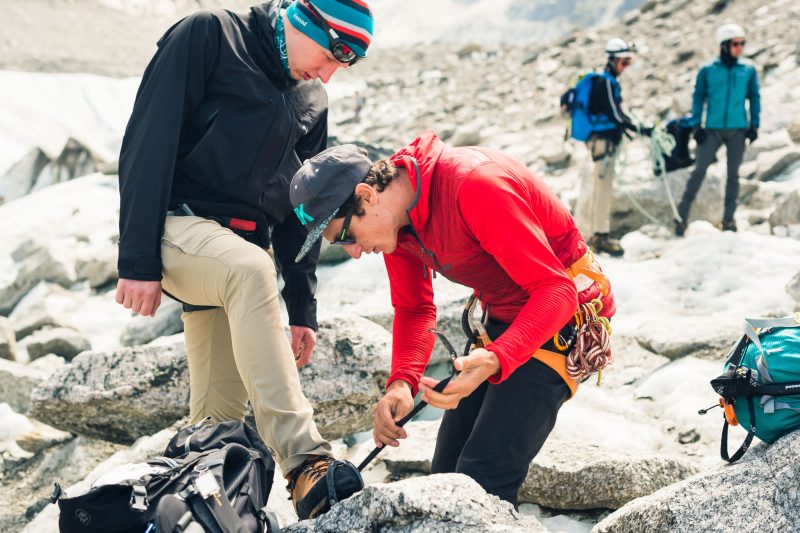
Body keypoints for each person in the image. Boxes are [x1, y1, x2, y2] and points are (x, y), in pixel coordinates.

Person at [114, 0, 373, 519]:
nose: (326, 75)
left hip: (234, 265)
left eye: (338, 68)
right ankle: (306, 463)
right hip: (177, 229)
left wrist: (302, 311)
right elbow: (148, 141)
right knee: (252, 269)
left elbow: (300, 210)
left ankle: (205, 510)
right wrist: (137, 259)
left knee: (216, 423)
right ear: (302, 20)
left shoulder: (312, 97)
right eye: (326, 57)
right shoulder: (209, 35)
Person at [288, 131, 616, 507]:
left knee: (482, 476)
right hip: (506, 318)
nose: (356, 252)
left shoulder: (474, 186)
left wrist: (495, 358)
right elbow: (415, 309)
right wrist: (400, 384)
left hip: (566, 319)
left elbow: (557, 290)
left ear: (366, 195)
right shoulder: (396, 221)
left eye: (346, 235)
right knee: (444, 475)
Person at [675, 23, 760, 236]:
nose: (740, 47)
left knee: (733, 176)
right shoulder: (708, 70)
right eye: (735, 43)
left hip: (738, 130)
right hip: (711, 130)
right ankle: (680, 218)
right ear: (724, 45)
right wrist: (696, 125)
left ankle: (729, 221)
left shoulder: (748, 69)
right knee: (699, 172)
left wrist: (755, 124)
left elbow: (754, 97)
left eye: (742, 43)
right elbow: (698, 97)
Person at [573, 37, 652, 257]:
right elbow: (615, 114)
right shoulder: (607, 82)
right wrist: (640, 129)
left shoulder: (604, 81)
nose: (625, 68)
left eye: (627, 63)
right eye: (623, 62)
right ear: (613, 60)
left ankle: (592, 233)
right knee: (603, 187)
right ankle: (599, 234)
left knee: (598, 186)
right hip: (603, 142)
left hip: (600, 140)